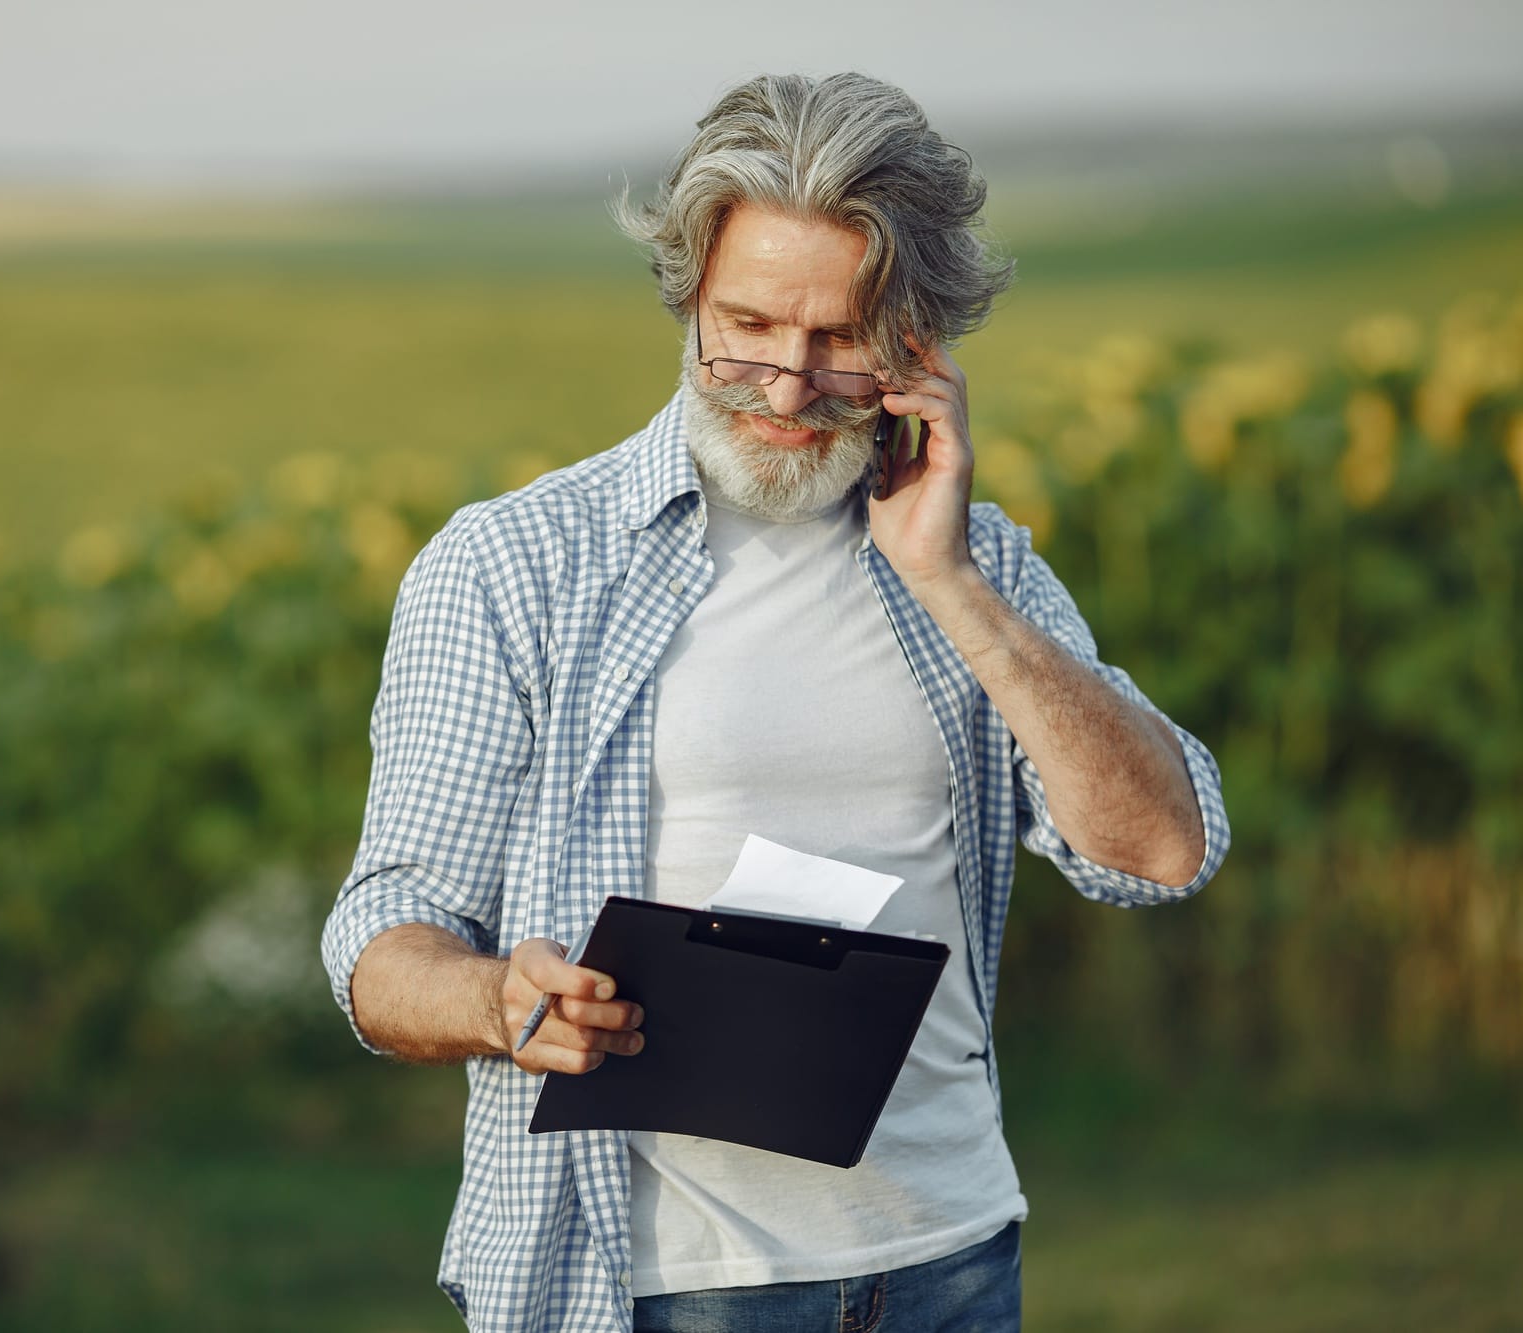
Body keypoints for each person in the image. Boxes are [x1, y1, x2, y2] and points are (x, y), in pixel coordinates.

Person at [321, 71, 1228, 1333]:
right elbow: (381, 941)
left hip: (947, 1257)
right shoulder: (511, 568)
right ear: (687, 294)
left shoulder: (981, 566)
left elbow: (1159, 853)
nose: (787, 387)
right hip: (659, 1285)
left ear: (922, 341)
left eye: (839, 340)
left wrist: (948, 579)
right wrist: (498, 1002)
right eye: (745, 326)